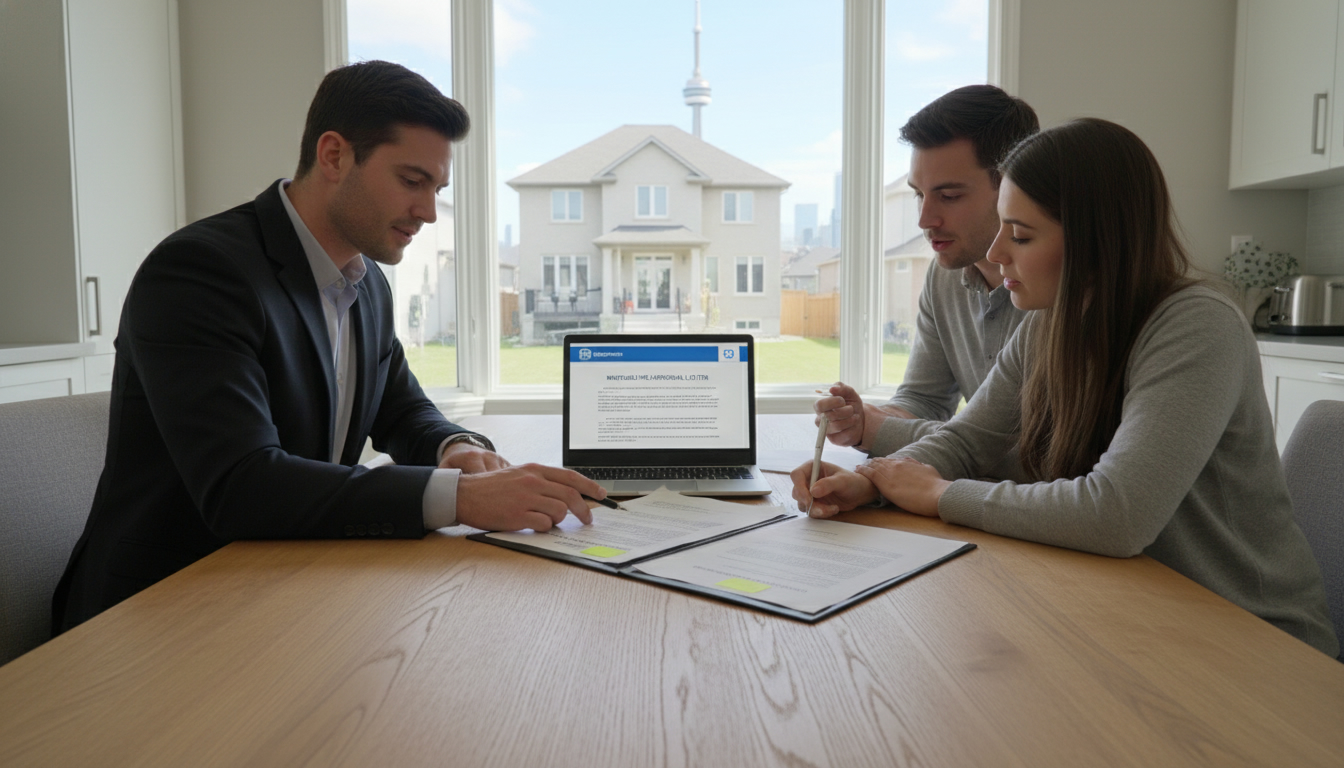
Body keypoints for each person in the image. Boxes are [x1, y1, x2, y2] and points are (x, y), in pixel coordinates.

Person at [53, 61, 605, 633]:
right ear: (335, 155)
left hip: (287, 581)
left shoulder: (365, 284)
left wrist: (455, 448)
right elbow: (242, 486)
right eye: (412, 181)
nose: (428, 212)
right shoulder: (200, 272)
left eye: (436, 190)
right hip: (161, 611)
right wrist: (462, 499)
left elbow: (401, 407)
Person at [794, 118, 1338, 656]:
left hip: (1251, 635)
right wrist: (874, 482)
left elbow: (1116, 514)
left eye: (1022, 234)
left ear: (1098, 243)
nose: (997, 252)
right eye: (1003, 227)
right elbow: (968, 439)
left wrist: (938, 494)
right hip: (1139, 610)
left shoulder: (1196, 325)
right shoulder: (1049, 320)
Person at [813, 85, 1037, 460]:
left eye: (949, 197)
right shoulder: (944, 276)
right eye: (919, 193)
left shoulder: (1058, 289)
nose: (924, 219)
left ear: (1013, 187)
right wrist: (865, 421)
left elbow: (1022, 449)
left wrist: (879, 429)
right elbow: (924, 400)